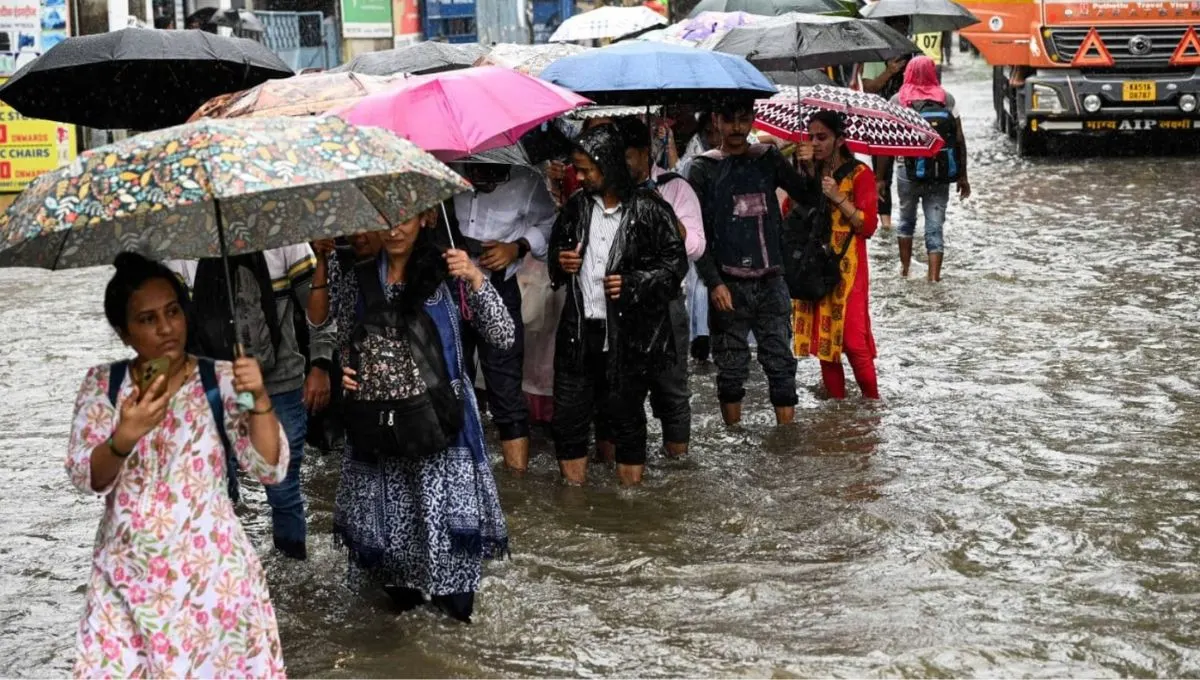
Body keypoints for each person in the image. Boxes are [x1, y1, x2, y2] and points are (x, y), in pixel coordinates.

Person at [68, 253, 287, 678]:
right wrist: (123, 438)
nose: (167, 328)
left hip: (213, 577)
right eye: (147, 319)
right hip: (126, 576)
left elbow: (267, 468)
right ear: (123, 331)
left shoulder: (222, 379)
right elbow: (86, 477)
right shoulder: (104, 385)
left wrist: (259, 398)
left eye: (172, 311)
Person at [319, 216, 512, 623]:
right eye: (383, 217)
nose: (393, 229)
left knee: (454, 587)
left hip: (442, 433)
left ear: (425, 216)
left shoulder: (450, 271)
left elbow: (503, 335)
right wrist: (346, 371)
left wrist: (476, 278)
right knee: (395, 581)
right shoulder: (358, 277)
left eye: (403, 215)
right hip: (380, 433)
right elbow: (341, 340)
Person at [548, 124, 688, 486]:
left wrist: (635, 283)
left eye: (585, 169)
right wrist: (562, 262)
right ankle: (575, 504)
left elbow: (675, 267)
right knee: (568, 420)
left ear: (607, 165)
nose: (578, 177)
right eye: (576, 169)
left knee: (626, 420)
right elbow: (556, 258)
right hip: (579, 332)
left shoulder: (649, 208)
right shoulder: (576, 207)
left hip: (627, 336)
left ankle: (629, 506)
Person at [170, 245, 321, 560]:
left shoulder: (285, 240)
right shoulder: (178, 252)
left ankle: (292, 570)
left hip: (279, 384)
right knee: (214, 488)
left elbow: (317, 311)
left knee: (283, 488)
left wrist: (322, 363)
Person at [686, 99, 812, 427]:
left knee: (781, 365)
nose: (737, 129)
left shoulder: (768, 159)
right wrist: (713, 283)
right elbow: (696, 235)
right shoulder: (703, 168)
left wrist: (808, 165)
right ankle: (733, 436)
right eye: (730, 120)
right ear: (716, 120)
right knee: (730, 370)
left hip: (772, 280)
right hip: (728, 284)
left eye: (744, 120)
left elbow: (809, 197)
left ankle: (786, 439)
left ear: (754, 120)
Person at [447, 163, 557, 473]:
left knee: (506, 386)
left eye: (496, 175)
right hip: (449, 288)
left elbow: (549, 222)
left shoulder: (528, 180)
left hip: (498, 286)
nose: (487, 181)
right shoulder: (445, 171)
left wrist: (517, 247)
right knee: (451, 380)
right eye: (480, 174)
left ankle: (516, 482)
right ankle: (458, 471)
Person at [608, 117, 704, 459]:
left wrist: (659, 207)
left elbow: (694, 246)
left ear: (645, 152)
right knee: (618, 392)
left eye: (626, 156)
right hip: (618, 306)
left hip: (666, 306)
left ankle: (678, 467)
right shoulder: (607, 192)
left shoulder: (675, 188)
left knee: (672, 392)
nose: (619, 164)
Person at [792, 112, 881, 400]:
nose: (815, 143)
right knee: (826, 345)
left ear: (840, 140)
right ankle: (838, 413)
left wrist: (838, 197)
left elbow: (867, 226)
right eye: (811, 137)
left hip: (850, 267)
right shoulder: (808, 171)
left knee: (854, 343)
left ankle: (872, 405)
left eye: (823, 137)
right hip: (816, 265)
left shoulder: (860, 174)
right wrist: (804, 175)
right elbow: (791, 215)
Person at [878, 56, 972, 282]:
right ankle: (933, 279)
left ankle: (905, 271)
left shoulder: (898, 100)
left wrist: (880, 178)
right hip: (940, 172)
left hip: (906, 171)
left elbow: (885, 143)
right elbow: (959, 139)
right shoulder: (946, 99)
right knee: (935, 225)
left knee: (906, 221)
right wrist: (962, 176)